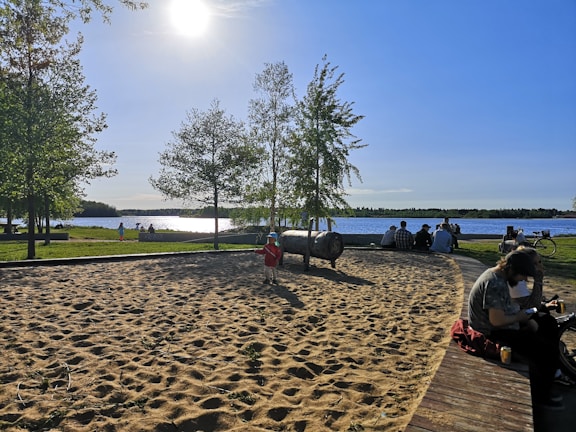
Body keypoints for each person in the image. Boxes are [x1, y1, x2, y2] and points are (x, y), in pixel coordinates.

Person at [468, 250, 564, 410]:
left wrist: (526, 318)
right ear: (512, 270)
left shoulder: (497, 275)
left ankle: (547, 378)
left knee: (546, 323)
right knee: (545, 351)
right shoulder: (495, 283)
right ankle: (542, 397)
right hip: (491, 331)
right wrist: (520, 319)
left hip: (500, 324)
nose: (525, 279)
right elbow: (496, 321)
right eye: (523, 275)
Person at [509, 246, 575, 387]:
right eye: (537, 263)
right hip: (511, 320)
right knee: (548, 323)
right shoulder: (517, 283)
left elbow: (530, 304)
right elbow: (531, 305)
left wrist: (545, 305)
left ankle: (554, 363)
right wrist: (539, 279)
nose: (541, 266)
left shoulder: (519, 278)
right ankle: (554, 371)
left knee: (546, 319)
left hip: (517, 313)